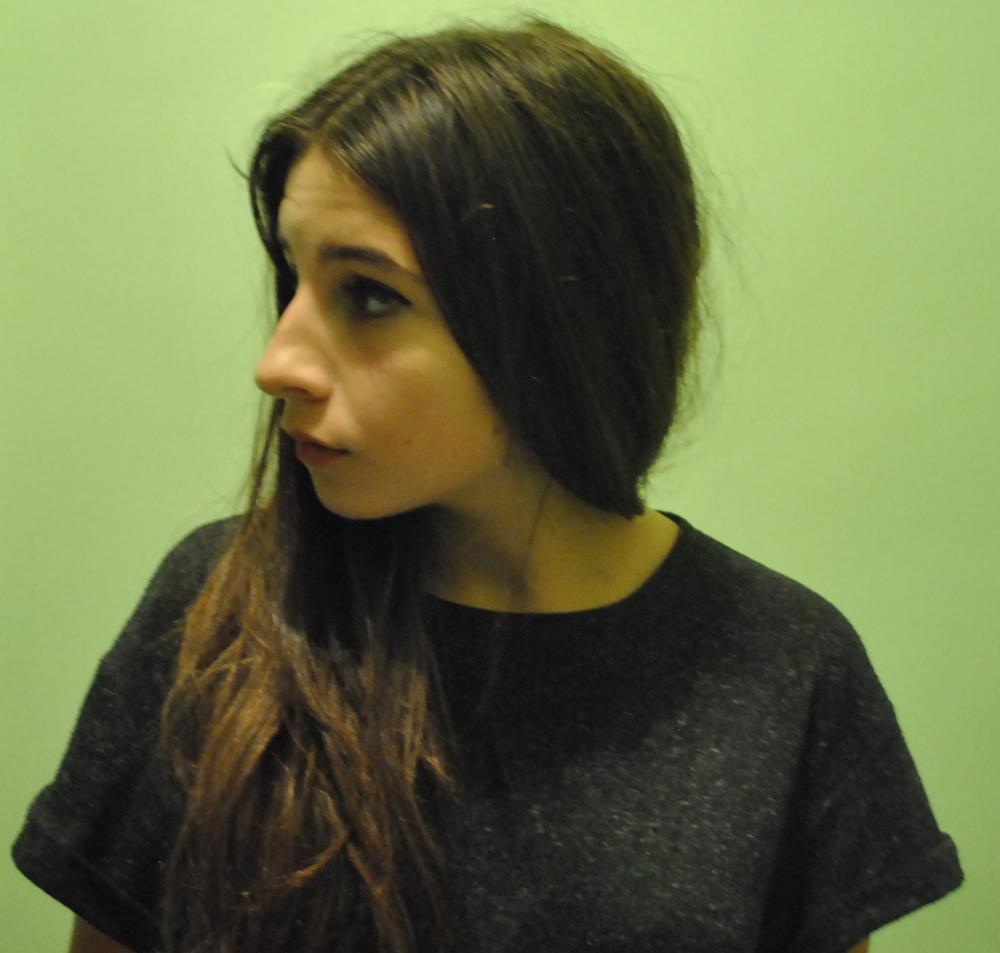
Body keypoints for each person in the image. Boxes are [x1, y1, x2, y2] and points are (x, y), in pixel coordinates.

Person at [12, 17, 962, 953]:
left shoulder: (785, 669)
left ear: (561, 319)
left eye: (370, 295)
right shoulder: (223, 612)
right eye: (291, 278)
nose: (277, 362)